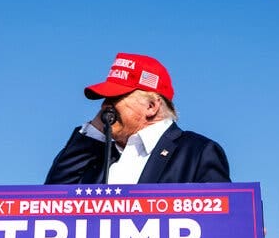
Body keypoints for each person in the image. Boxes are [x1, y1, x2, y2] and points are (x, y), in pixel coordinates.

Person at [45, 53, 231, 185]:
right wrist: (93, 133)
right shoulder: (97, 156)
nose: (104, 106)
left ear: (151, 106)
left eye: (115, 98)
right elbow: (50, 202)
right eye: (105, 99)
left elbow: (221, 220)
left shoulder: (197, 152)